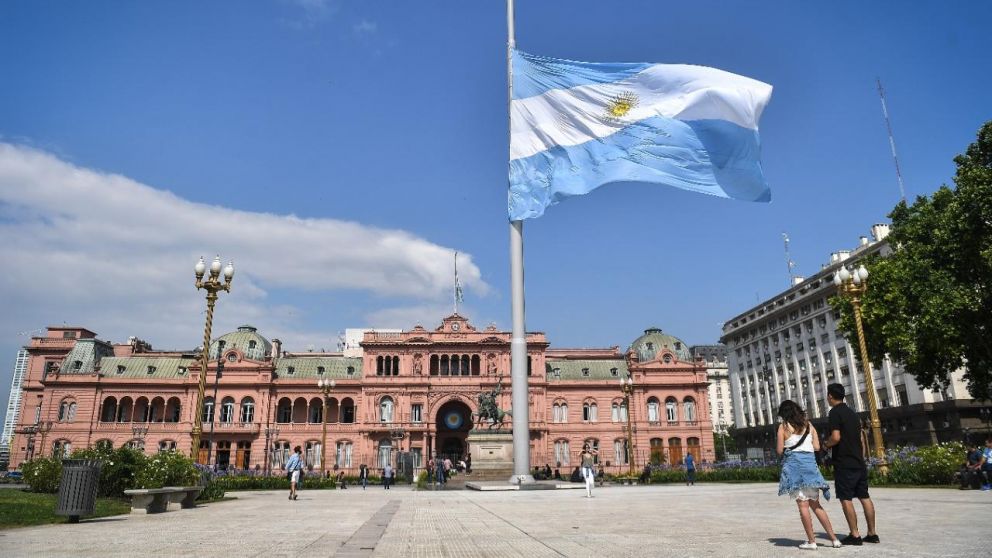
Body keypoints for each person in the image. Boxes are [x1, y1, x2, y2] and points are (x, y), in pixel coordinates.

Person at [777, 400, 841, 550]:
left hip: (794, 470)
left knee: (803, 506)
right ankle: (834, 539)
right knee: (816, 505)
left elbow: (780, 450)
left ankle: (812, 542)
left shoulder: (783, 427)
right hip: (810, 469)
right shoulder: (809, 425)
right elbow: (817, 447)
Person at [823, 383, 879, 545]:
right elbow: (861, 439)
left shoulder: (835, 413)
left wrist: (826, 444)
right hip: (858, 462)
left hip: (844, 462)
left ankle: (855, 535)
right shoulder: (853, 413)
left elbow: (836, 437)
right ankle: (872, 533)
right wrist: (860, 458)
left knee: (846, 498)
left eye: (828, 396)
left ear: (830, 396)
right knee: (864, 496)